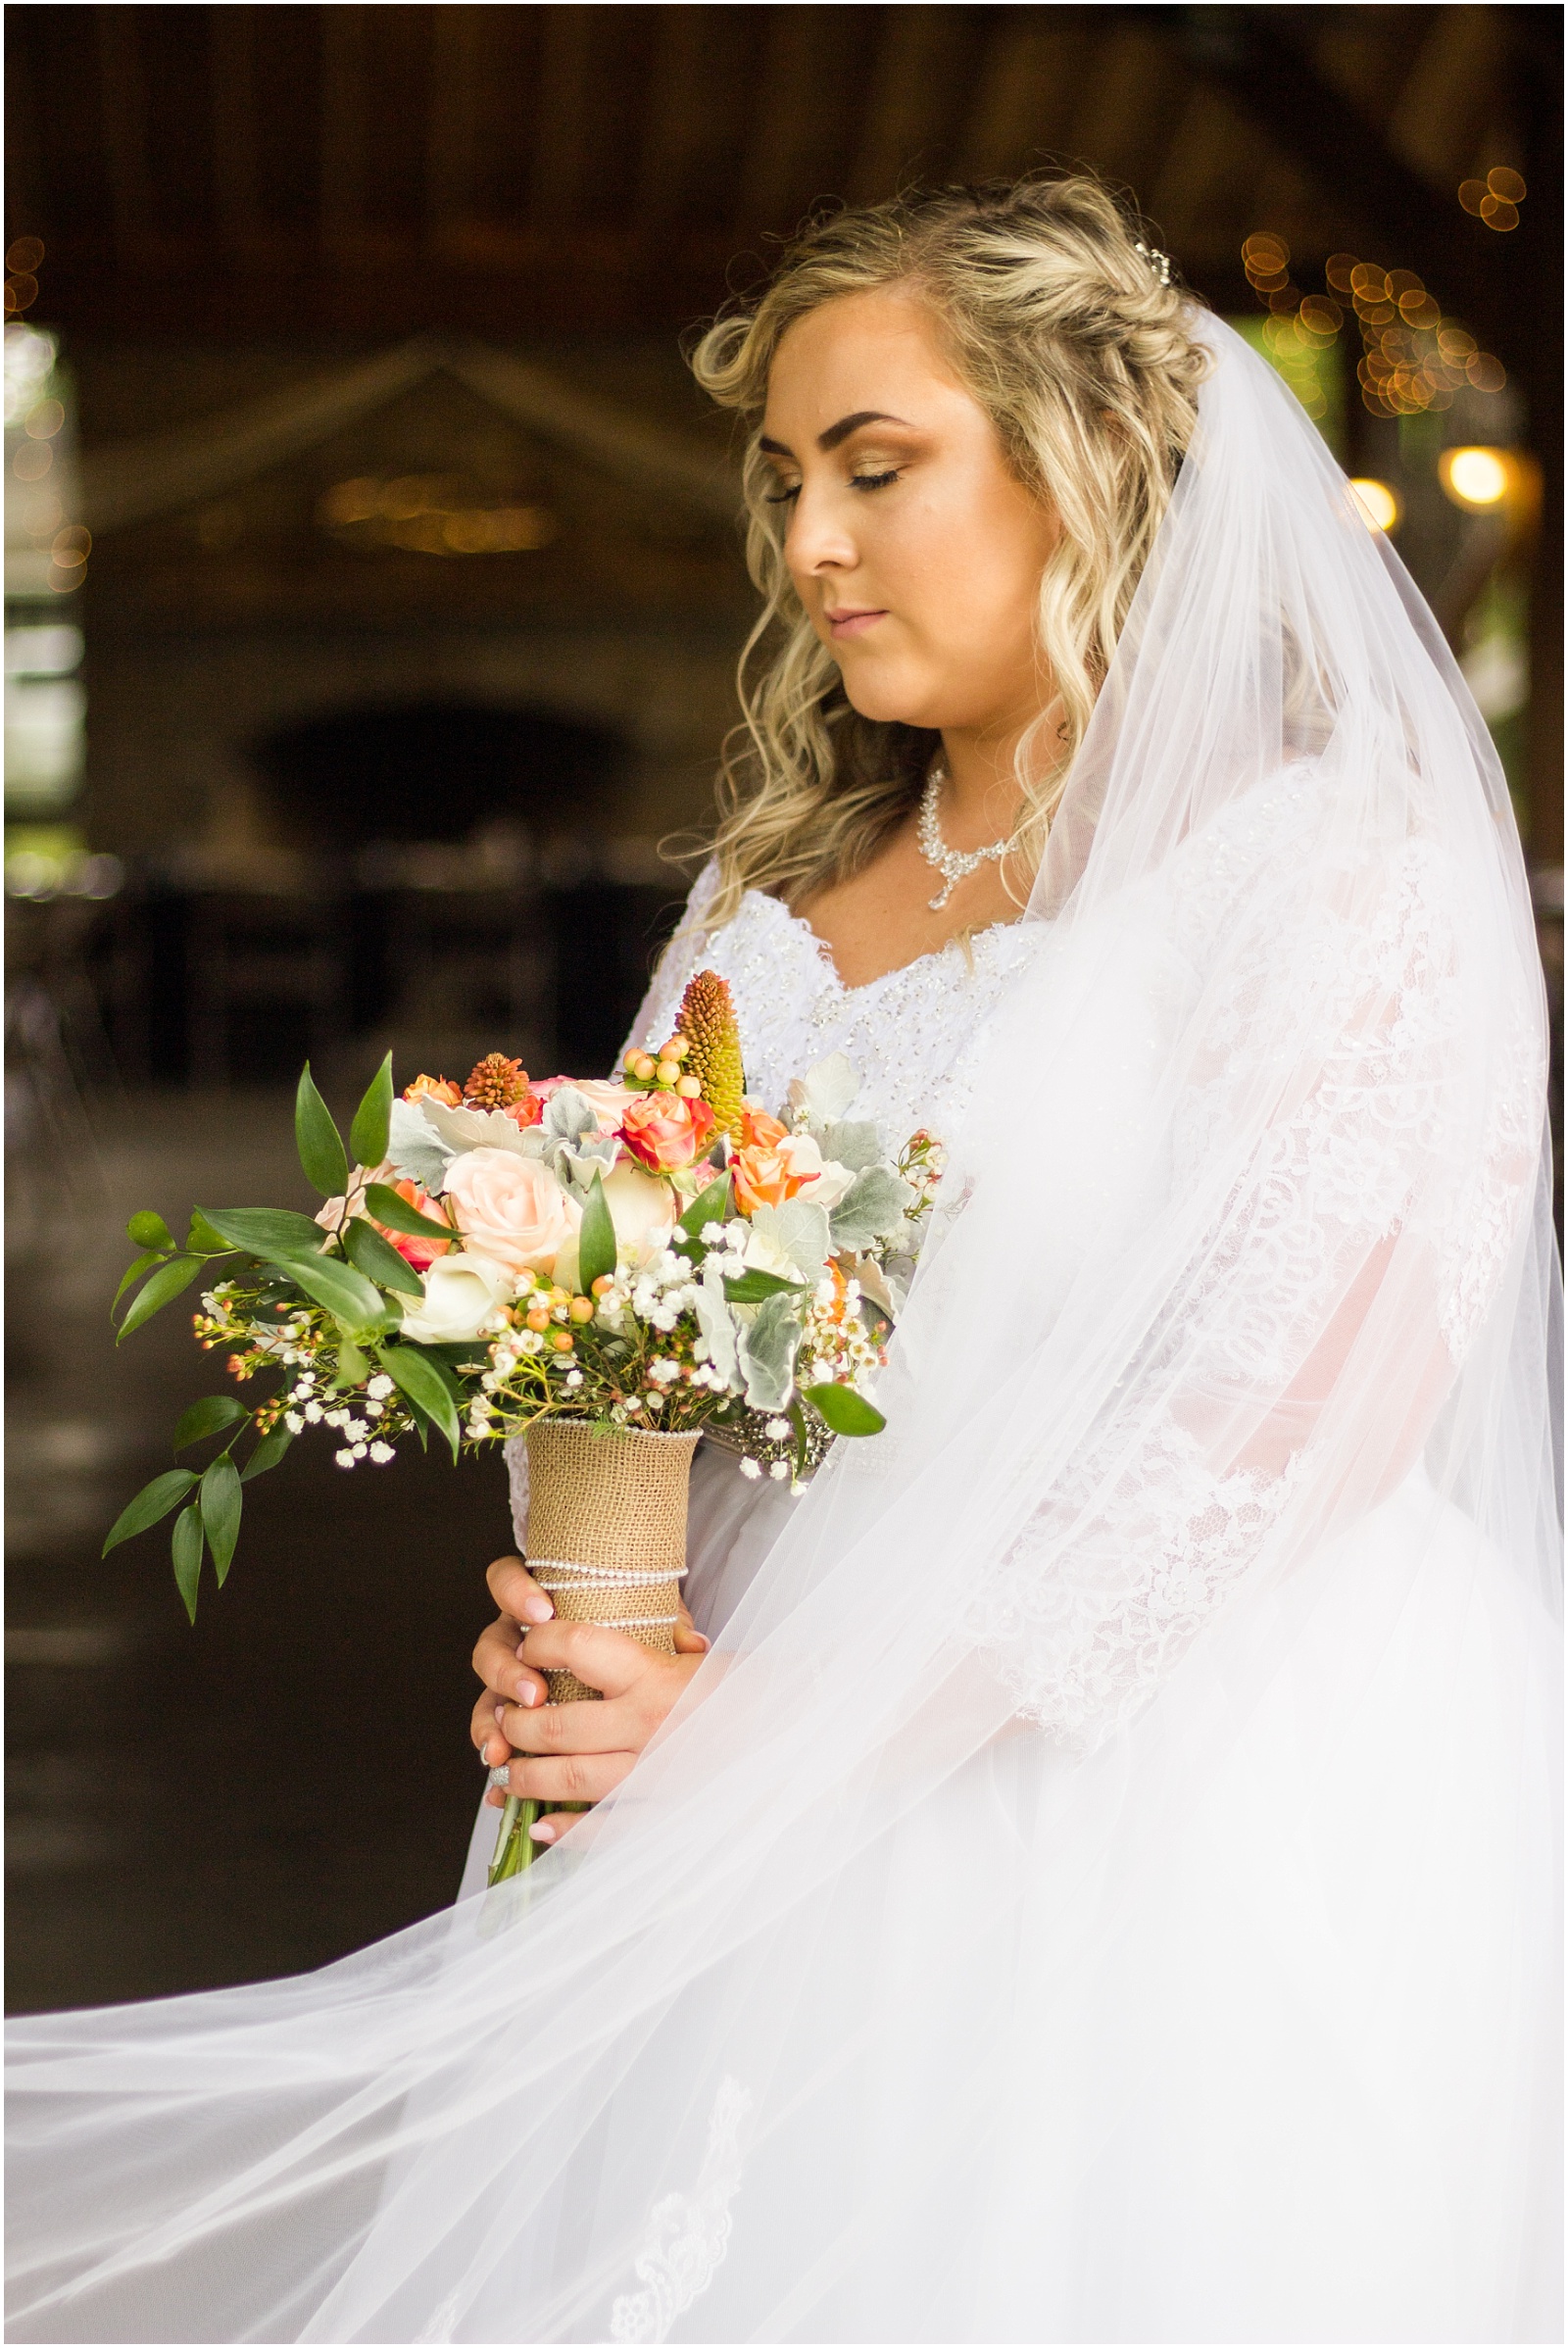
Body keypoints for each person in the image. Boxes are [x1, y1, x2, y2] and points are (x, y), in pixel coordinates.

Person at [9, 176, 1560, 2346]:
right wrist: (589, 1632)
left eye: (875, 465)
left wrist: (788, 1730)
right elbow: (651, 1322)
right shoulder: (781, 891)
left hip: (1166, 1784)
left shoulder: (1317, 870)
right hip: (728, 1757)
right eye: (785, 480)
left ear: (1088, 463)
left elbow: (1299, 1419)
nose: (808, 543)